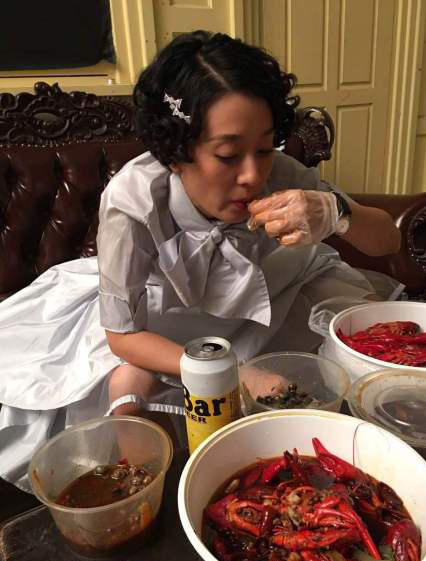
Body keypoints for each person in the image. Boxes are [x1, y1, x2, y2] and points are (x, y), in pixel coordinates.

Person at [0, 30, 402, 490]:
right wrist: (236, 372)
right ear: (175, 154)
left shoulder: (285, 175)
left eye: (265, 148)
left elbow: (387, 240)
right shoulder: (135, 201)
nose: (253, 175)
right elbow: (123, 335)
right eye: (228, 155)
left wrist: (336, 212)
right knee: (128, 384)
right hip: (167, 321)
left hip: (275, 304)